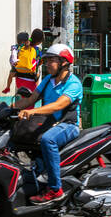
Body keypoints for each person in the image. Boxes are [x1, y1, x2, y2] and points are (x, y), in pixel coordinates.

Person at [20, 46, 84, 205]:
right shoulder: (48, 80)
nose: (47, 64)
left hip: (68, 125)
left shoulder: (73, 83)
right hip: (49, 123)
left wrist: (33, 112)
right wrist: (6, 109)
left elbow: (57, 105)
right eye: (47, 60)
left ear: (63, 62)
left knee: (48, 140)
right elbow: (30, 100)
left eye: (51, 60)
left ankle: (55, 189)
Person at [4, 31, 41, 98]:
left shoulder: (17, 47)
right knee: (37, 73)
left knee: (10, 75)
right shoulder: (34, 48)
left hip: (17, 68)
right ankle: (37, 90)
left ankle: (8, 86)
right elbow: (39, 61)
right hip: (30, 74)